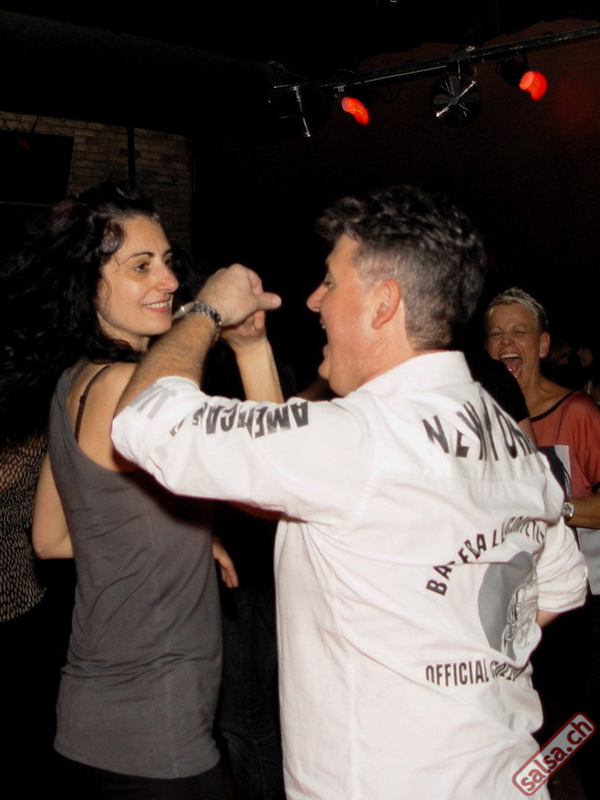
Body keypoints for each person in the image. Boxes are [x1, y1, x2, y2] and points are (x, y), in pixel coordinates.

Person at [112, 185, 587, 800]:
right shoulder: (507, 438)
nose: (314, 299)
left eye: (331, 282)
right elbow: (560, 586)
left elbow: (143, 422)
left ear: (383, 304)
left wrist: (204, 312)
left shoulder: (358, 439)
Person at [20, 182, 281, 799]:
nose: (167, 280)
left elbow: (52, 537)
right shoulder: (126, 390)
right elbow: (274, 480)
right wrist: (236, 337)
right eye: (140, 266)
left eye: (166, 260)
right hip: (156, 735)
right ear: (87, 285)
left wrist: (181, 532)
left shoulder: (74, 382)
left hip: (86, 725)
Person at [485, 286, 600, 798]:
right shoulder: (480, 417)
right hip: (509, 598)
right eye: (495, 333)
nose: (506, 342)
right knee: (520, 713)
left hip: (578, 598)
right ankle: (533, 784)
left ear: (544, 344)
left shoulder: (576, 412)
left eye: (519, 332)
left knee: (578, 718)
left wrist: (554, 513)